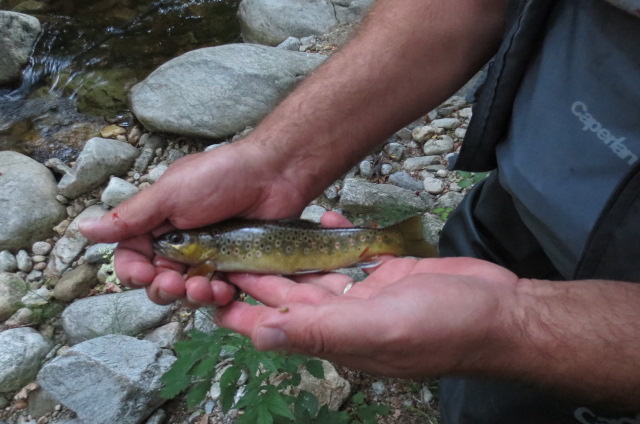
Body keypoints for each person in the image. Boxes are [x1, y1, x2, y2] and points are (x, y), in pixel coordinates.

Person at [80, 0, 640, 422]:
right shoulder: (209, 254)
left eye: (176, 245)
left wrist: (515, 326)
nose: (170, 247)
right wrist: (274, 160)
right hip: (516, 207)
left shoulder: (205, 259)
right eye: (175, 245)